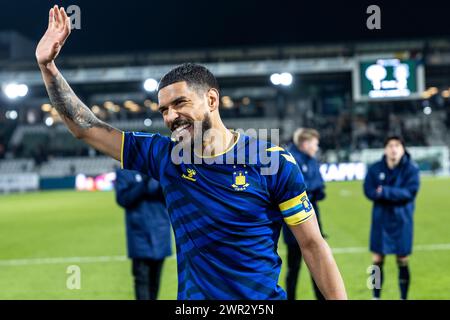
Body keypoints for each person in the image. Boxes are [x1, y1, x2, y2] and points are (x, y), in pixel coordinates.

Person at [35, 5, 347, 300]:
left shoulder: (272, 162)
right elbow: (85, 127)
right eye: (163, 110)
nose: (170, 117)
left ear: (212, 99)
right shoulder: (165, 158)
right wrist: (47, 67)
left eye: (180, 104)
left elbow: (312, 246)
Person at [364, 136, 420, 300]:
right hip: (381, 219)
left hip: (402, 220)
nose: (393, 149)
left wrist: (384, 192)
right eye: (390, 145)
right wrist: (394, 193)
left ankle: (403, 296)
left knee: (402, 258)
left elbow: (409, 193)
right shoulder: (375, 168)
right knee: (377, 259)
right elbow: (368, 190)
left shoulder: (412, 169)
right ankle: (375, 297)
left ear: (403, 149)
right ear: (385, 149)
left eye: (397, 145)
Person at [282, 128, 326, 300]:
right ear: (306, 143)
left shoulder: (311, 160)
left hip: (313, 218)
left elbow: (319, 187)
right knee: (294, 267)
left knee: (318, 266)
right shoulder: (290, 159)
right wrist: (311, 190)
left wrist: (311, 189)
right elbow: (299, 189)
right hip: (295, 224)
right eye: (315, 143)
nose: (317, 147)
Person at [114, 169, 171, 300]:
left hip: (160, 231)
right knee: (141, 279)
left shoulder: (160, 170)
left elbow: (170, 196)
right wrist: (143, 183)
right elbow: (123, 199)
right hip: (139, 234)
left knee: (155, 281)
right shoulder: (125, 173)